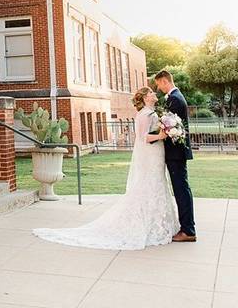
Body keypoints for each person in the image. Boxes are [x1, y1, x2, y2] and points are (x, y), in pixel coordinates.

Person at [33, 87, 178, 250]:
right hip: (149, 154)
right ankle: (146, 224)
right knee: (148, 184)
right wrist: (160, 135)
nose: (154, 94)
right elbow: (142, 137)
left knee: (158, 183)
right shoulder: (144, 114)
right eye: (150, 93)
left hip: (157, 153)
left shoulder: (152, 112)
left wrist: (166, 130)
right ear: (145, 98)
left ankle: (159, 223)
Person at [154, 69, 196, 242]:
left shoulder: (174, 99)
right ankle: (187, 228)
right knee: (181, 189)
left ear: (165, 81)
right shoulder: (177, 97)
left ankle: (188, 230)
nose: (159, 89)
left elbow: (169, 126)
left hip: (176, 153)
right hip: (177, 153)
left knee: (181, 191)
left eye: (158, 85)